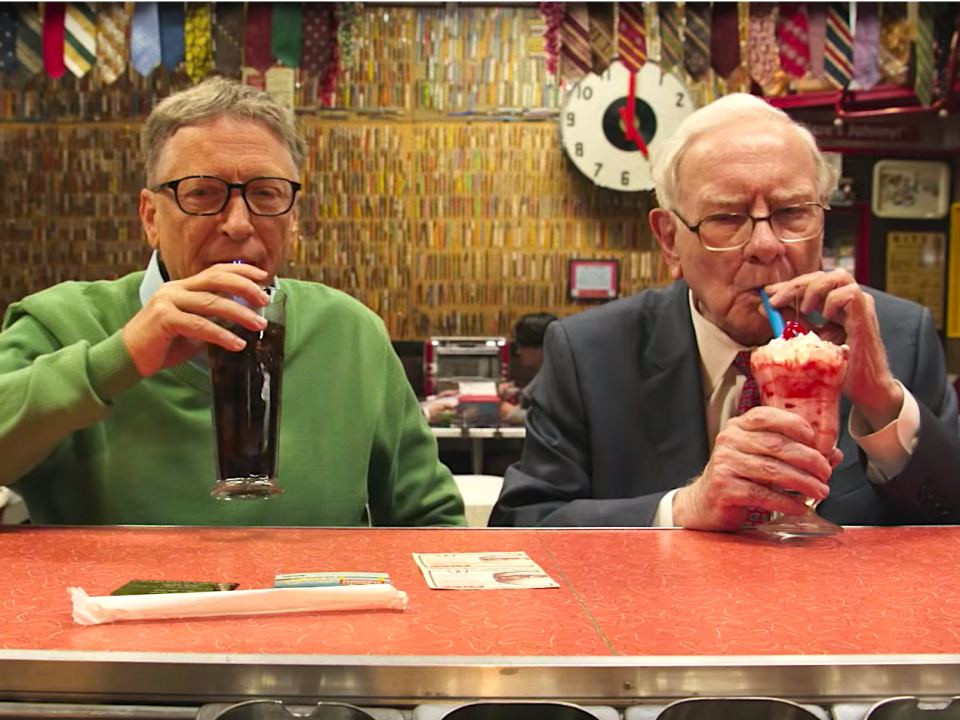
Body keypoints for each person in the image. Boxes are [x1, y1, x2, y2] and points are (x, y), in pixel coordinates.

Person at [0, 77, 465, 528]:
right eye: (203, 193)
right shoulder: (59, 322)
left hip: (312, 606)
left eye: (266, 194)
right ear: (150, 217)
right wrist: (121, 357)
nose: (239, 224)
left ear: (293, 220)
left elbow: (429, 521)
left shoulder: (351, 333)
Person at [490, 93, 960, 530]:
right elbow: (523, 524)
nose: (766, 245)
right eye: (728, 218)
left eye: (792, 211)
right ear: (670, 239)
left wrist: (883, 407)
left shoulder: (899, 337)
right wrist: (682, 508)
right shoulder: (590, 353)